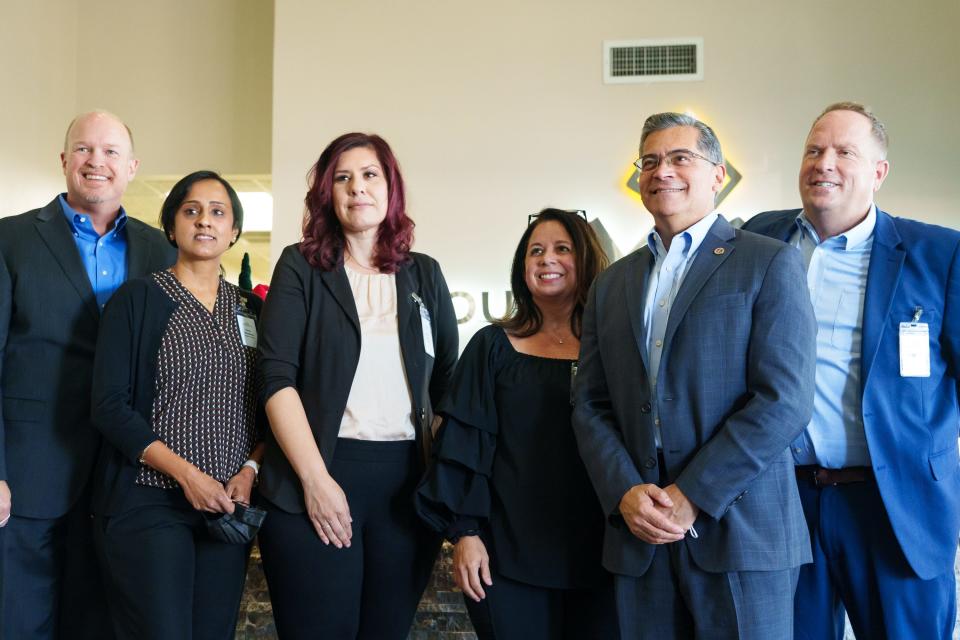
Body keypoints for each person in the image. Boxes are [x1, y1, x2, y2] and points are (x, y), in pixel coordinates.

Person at [572, 112, 817, 639]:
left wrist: (693, 495)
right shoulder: (612, 283)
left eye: (681, 158)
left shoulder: (768, 262)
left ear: (717, 174)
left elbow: (784, 401)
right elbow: (590, 404)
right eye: (651, 161)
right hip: (641, 535)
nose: (663, 171)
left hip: (741, 535)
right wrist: (624, 492)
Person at [742, 102, 960, 640]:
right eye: (814, 150)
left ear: (879, 173)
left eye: (845, 152)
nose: (825, 163)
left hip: (895, 508)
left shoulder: (939, 253)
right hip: (784, 504)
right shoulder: (757, 240)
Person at [256, 132, 458, 639]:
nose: (357, 188)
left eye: (370, 175)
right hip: (317, 475)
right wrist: (316, 479)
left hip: (405, 488)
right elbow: (276, 377)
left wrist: (437, 473)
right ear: (327, 193)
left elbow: (448, 382)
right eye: (342, 178)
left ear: (390, 188)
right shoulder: (301, 266)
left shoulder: (424, 275)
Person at [0, 110, 175, 639]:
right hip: (26, 478)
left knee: (99, 625)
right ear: (64, 161)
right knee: (20, 624)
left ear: (132, 167)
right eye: (83, 149)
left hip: (124, 478)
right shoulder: (10, 241)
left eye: (110, 152)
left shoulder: (161, 250)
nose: (96, 161)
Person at [416, 208, 618, 640]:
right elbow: (462, 449)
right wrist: (466, 534)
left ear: (585, 259)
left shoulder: (616, 349)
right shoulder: (491, 348)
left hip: (604, 557)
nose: (547, 259)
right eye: (535, 251)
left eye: (562, 249)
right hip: (505, 560)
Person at [89, 170, 264, 639]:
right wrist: (187, 475)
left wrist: (249, 470)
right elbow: (108, 406)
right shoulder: (137, 300)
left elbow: (267, 408)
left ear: (234, 231)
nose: (205, 221)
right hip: (150, 501)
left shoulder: (252, 310)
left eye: (218, 212)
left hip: (226, 508)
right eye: (192, 211)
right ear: (171, 227)